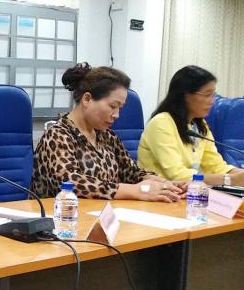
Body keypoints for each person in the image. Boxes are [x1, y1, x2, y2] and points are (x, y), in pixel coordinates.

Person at [32, 63, 183, 201]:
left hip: (102, 214)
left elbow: (131, 172)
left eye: (120, 108)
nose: (117, 115)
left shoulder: (107, 136)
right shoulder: (58, 135)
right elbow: (70, 183)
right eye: (112, 106)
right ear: (87, 99)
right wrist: (135, 191)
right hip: (62, 217)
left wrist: (164, 184)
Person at [138, 65, 244, 186]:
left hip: (187, 192)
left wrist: (238, 174)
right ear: (186, 95)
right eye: (207, 95)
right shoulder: (161, 123)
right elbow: (178, 175)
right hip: (157, 192)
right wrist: (230, 179)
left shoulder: (199, 125)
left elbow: (216, 166)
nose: (212, 101)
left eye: (213, 95)